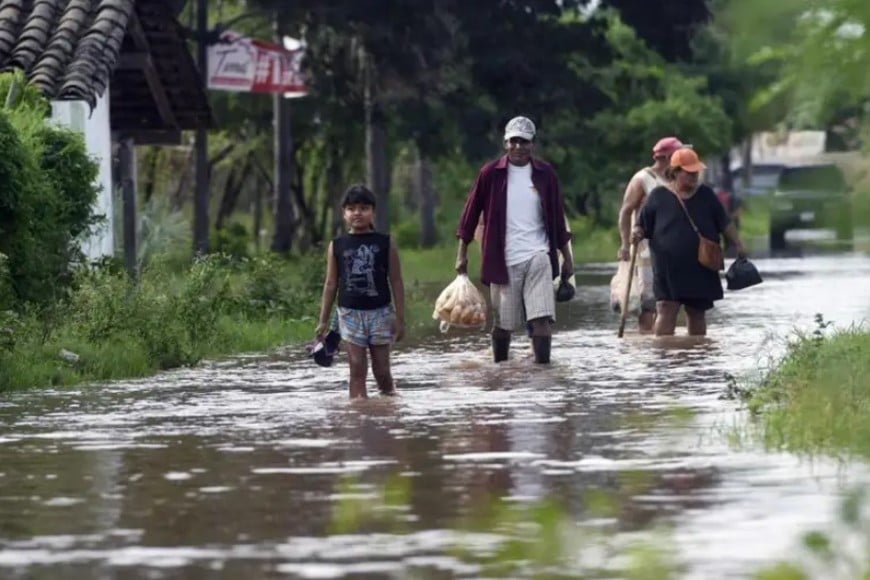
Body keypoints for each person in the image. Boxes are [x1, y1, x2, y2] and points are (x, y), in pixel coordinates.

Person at [455, 116, 573, 364]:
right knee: (503, 324)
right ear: (506, 143)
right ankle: (500, 369)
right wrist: (461, 254)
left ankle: (543, 373)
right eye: (514, 141)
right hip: (503, 259)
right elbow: (470, 214)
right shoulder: (491, 174)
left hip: (539, 256)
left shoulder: (545, 174)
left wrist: (567, 261)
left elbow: (557, 220)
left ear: (533, 145)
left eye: (525, 142)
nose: (519, 147)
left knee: (541, 320)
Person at [631, 148, 746, 336]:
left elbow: (724, 223)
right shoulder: (658, 196)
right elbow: (641, 225)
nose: (694, 176)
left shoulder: (707, 195)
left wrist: (739, 244)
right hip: (668, 268)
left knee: (697, 312)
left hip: (700, 265)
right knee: (666, 309)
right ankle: (664, 356)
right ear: (675, 172)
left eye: (696, 172)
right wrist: (636, 233)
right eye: (689, 172)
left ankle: (697, 354)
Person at [315, 185, 405, 398]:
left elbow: (396, 280)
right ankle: (358, 416)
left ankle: (389, 404)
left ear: (373, 211)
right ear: (344, 213)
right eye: (352, 208)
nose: (357, 213)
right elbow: (330, 283)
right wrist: (323, 320)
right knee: (356, 367)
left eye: (364, 208)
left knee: (382, 370)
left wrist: (400, 319)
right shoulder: (337, 245)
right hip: (349, 314)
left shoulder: (385, 242)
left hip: (380, 313)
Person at [617, 136, 684, 333]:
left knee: (667, 300)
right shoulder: (642, 179)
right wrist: (624, 244)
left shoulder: (675, 180)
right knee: (648, 302)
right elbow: (626, 211)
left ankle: (661, 339)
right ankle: (647, 341)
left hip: (670, 250)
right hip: (645, 250)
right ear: (665, 157)